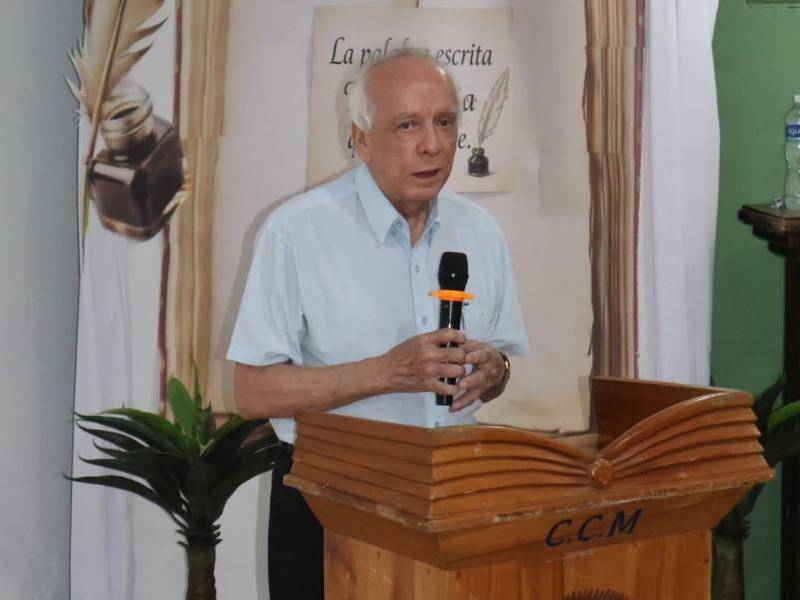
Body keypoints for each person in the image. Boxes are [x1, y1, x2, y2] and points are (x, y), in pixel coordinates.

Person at [227, 48, 529, 600]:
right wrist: (386, 372)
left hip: (452, 497)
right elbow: (252, 391)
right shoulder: (296, 231)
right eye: (406, 125)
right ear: (360, 138)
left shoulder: (481, 231)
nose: (433, 145)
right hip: (330, 501)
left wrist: (496, 368)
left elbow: (504, 361)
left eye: (444, 122)